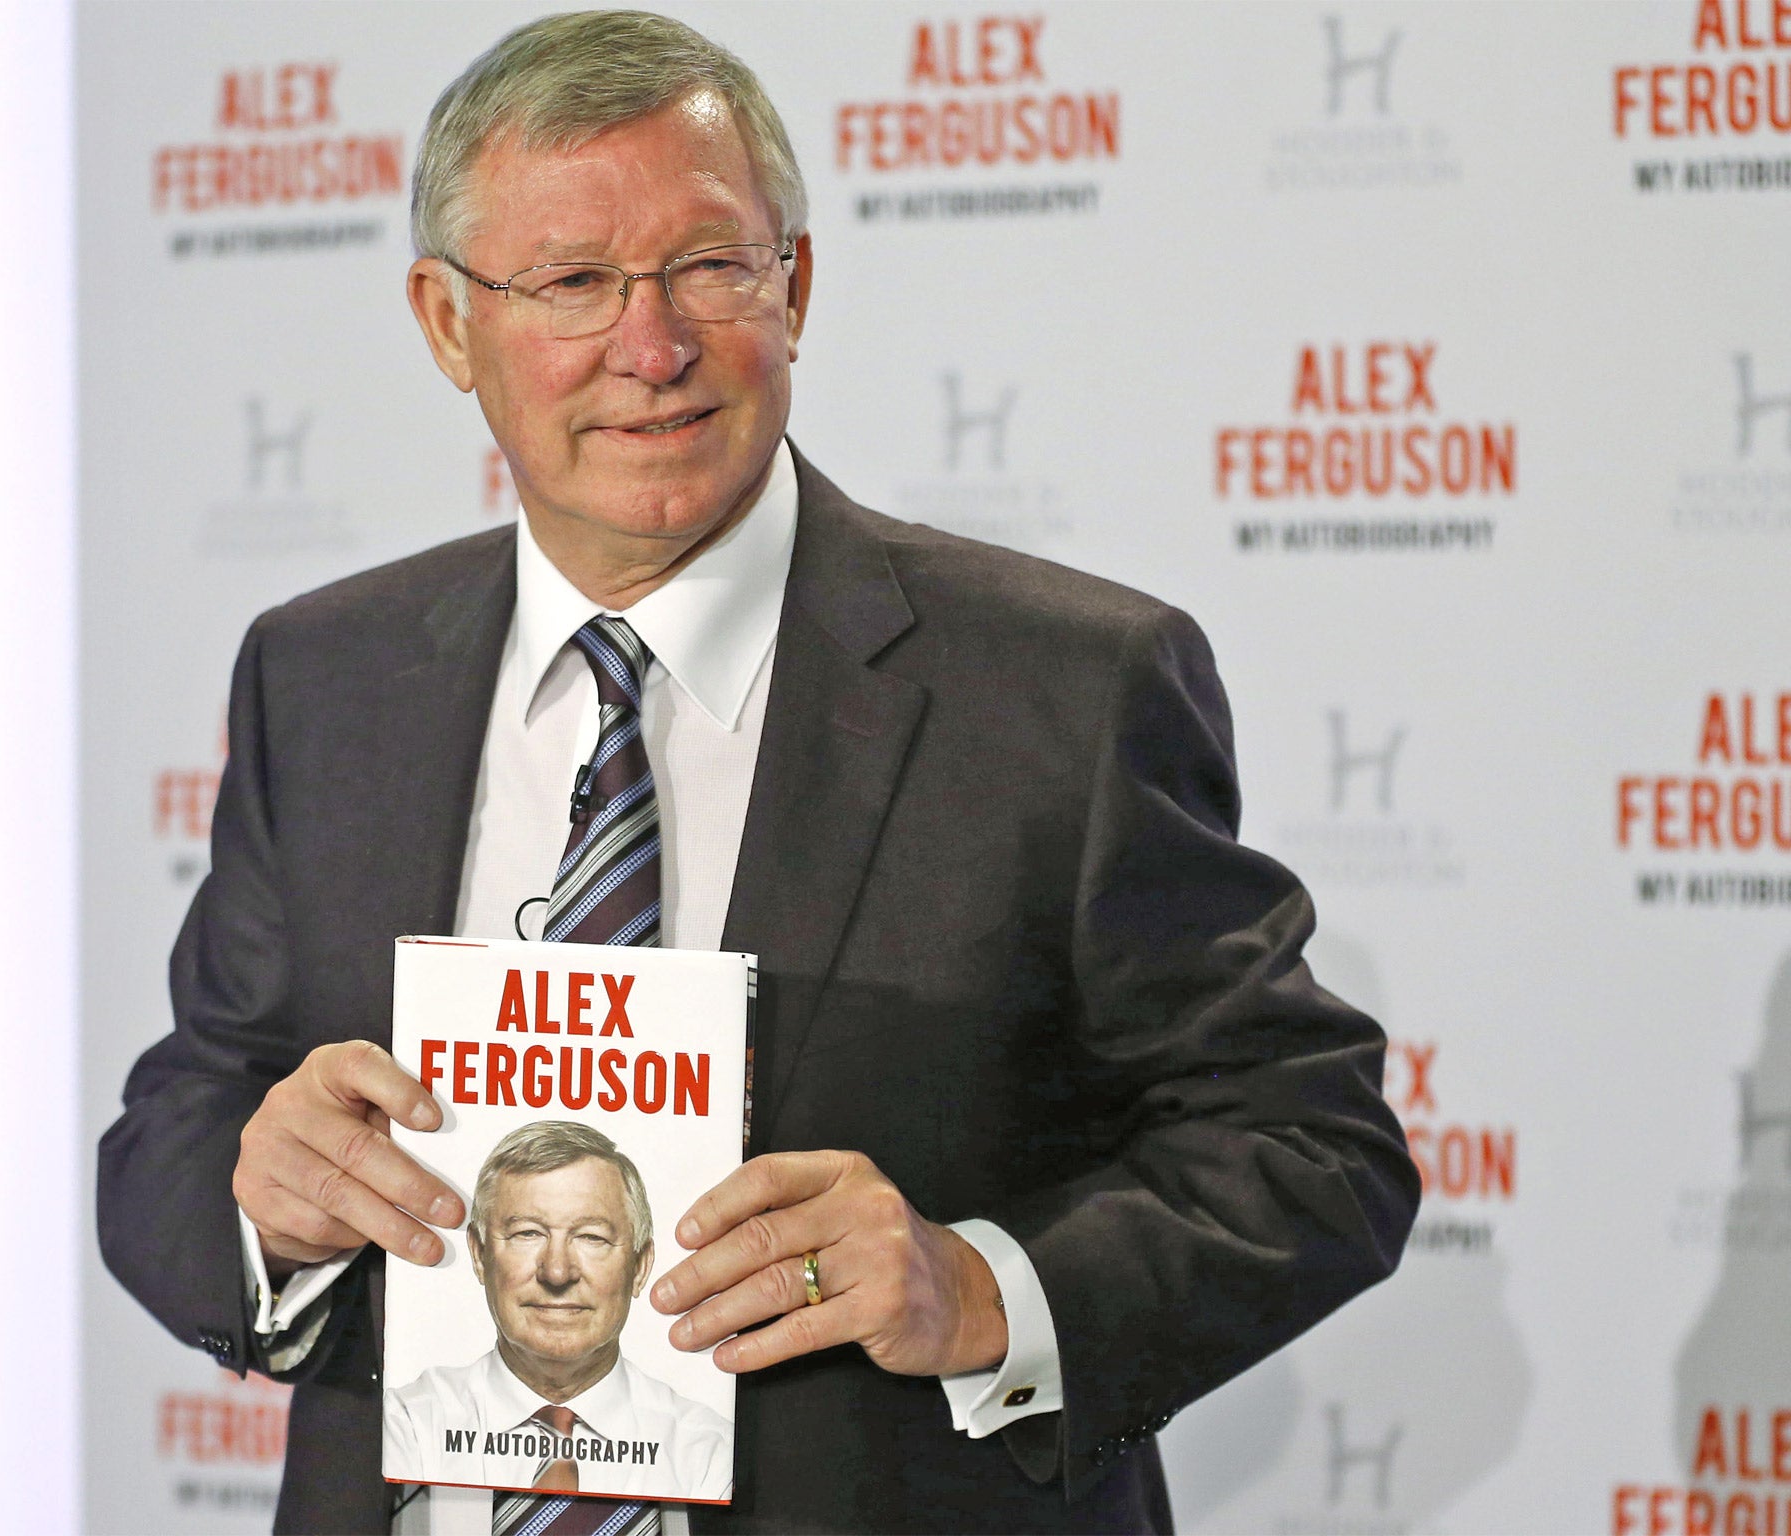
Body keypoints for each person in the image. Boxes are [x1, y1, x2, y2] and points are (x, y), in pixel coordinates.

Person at [98, 12, 1421, 1535]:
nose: (650, 348)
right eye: (574, 282)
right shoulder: (323, 675)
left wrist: (982, 1283)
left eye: (710, 269)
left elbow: (1316, 1148)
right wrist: (263, 1202)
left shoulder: (1066, 686)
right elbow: (185, 1116)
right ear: (448, 325)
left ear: (794, 287)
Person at [384, 1121, 734, 1501]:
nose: (556, 1272)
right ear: (479, 1254)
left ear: (640, 1266)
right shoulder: (406, 1424)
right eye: (527, 1233)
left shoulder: (709, 1452)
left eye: (592, 1237)